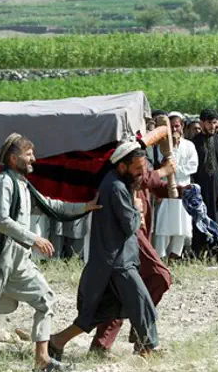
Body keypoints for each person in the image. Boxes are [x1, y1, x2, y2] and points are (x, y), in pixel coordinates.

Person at [0, 133, 98, 372]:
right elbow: (1, 220)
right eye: (28, 154)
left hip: (19, 262)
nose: (33, 159)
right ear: (13, 157)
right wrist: (34, 238)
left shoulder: (23, 184)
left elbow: (50, 205)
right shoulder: (3, 182)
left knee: (45, 300)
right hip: (0, 261)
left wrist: (84, 207)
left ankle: (42, 359)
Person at [50, 142, 159, 361]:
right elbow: (129, 225)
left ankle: (57, 341)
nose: (142, 173)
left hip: (111, 260)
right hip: (118, 263)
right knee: (142, 303)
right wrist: (137, 210)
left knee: (98, 313)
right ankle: (148, 350)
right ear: (122, 167)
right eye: (138, 169)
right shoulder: (117, 187)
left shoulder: (115, 182)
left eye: (143, 168)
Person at [153, 111, 198, 260]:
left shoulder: (189, 145)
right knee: (163, 226)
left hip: (183, 190)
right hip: (167, 191)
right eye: (170, 127)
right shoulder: (161, 146)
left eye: (176, 126)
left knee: (182, 226)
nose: (174, 130)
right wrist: (170, 169)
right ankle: (160, 256)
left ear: (182, 126)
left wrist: (175, 169)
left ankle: (175, 256)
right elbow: (161, 165)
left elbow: (193, 166)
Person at [191, 109, 218, 257]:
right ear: (202, 123)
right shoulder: (194, 142)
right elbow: (192, 168)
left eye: (215, 123)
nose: (213, 126)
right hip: (201, 188)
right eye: (209, 123)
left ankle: (217, 250)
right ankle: (198, 252)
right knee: (200, 218)